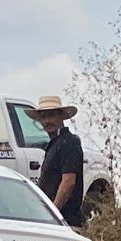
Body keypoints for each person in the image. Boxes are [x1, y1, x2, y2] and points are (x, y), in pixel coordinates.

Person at [26, 95, 85, 228]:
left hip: (66, 223)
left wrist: (53, 213)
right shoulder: (54, 144)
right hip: (55, 222)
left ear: (61, 117)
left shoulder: (69, 142)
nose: (47, 121)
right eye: (43, 116)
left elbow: (68, 181)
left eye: (51, 116)